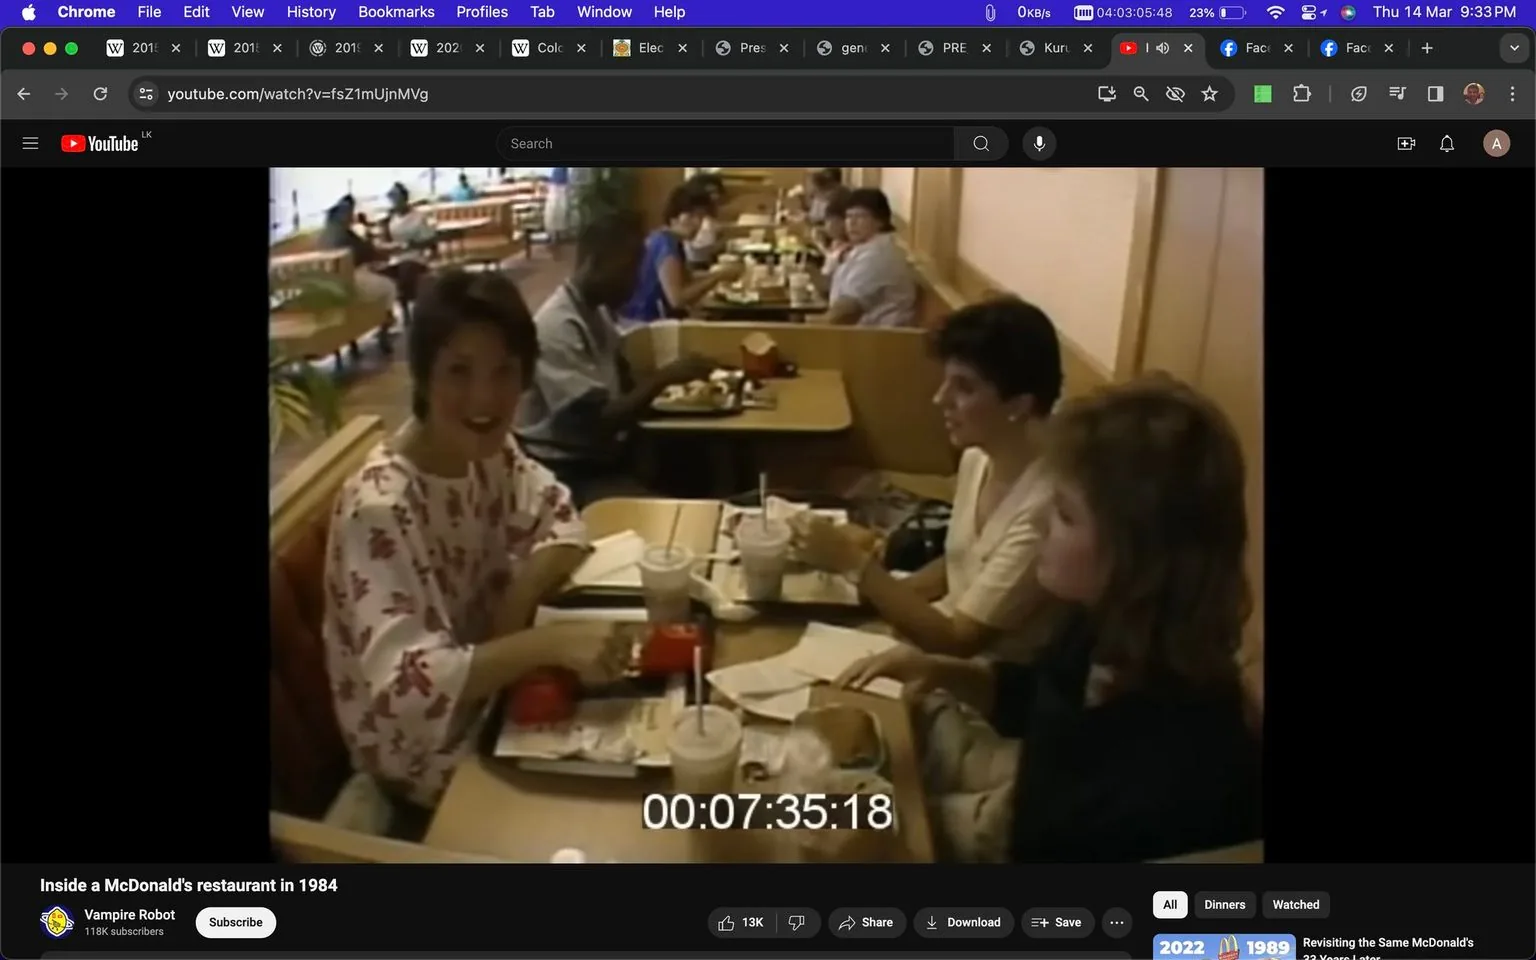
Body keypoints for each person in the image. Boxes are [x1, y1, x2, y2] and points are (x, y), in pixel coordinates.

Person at [834, 373, 1262, 862]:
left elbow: (1032, 839)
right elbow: (1038, 695)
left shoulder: (1173, 756)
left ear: (1138, 555)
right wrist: (942, 672)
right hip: (1028, 794)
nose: (1037, 523)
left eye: (1064, 515)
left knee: (840, 817)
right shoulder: (1106, 619)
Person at [322, 269, 627, 815]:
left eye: (504, 371)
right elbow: (408, 692)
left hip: (496, 707)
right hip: (426, 764)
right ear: (420, 376)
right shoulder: (379, 506)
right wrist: (545, 645)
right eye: (458, 372)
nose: (485, 397)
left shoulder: (488, 454)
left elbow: (559, 513)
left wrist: (515, 603)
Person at [793, 298, 1063, 662]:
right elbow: (961, 562)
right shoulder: (977, 458)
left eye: (964, 388)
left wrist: (855, 565)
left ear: (1019, 406)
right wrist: (882, 593)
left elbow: (960, 640)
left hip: (979, 685)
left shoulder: (1048, 506)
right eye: (945, 382)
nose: (940, 399)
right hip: (930, 648)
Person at [516, 213, 717, 506]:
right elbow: (595, 425)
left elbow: (622, 378)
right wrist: (665, 378)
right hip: (568, 469)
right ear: (593, 264)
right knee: (666, 506)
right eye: (628, 270)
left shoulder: (596, 311)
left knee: (702, 459)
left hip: (606, 452)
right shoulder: (557, 326)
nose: (635, 283)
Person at [620, 185, 741, 324]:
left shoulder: (667, 238)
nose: (697, 223)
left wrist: (722, 273)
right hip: (644, 324)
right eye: (691, 216)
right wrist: (718, 276)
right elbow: (677, 300)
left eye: (701, 217)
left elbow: (687, 279)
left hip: (649, 320)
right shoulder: (665, 244)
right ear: (674, 216)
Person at [811, 188, 917, 328]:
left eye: (860, 216)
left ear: (880, 221)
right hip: (860, 334)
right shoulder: (864, 247)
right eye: (848, 216)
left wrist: (810, 328)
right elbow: (836, 288)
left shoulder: (878, 255)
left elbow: (846, 311)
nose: (851, 223)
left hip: (875, 340)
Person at [318, 200, 396, 308]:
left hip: (332, 280)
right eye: (349, 212)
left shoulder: (326, 232)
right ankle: (384, 317)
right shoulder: (342, 234)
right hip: (348, 281)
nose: (351, 215)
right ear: (341, 214)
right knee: (389, 286)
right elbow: (366, 253)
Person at [684, 173, 727, 267]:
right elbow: (697, 254)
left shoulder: (710, 215)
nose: (716, 196)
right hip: (697, 267)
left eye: (717, 192)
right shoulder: (694, 217)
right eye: (710, 192)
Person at [815, 187, 854, 281]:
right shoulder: (838, 242)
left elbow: (828, 282)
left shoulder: (849, 251)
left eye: (831, 221)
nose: (827, 226)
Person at [544, 167, 571, 243]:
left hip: (560, 185)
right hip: (558, 185)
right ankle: (554, 235)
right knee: (555, 210)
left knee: (558, 210)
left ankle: (556, 235)